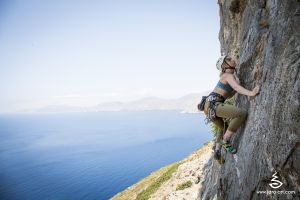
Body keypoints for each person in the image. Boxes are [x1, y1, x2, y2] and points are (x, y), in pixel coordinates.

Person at [203, 55, 260, 159]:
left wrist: (236, 84)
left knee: (224, 127)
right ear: (225, 66)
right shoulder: (227, 75)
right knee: (241, 114)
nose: (233, 59)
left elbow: (229, 94)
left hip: (209, 106)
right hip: (214, 104)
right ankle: (225, 141)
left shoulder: (225, 77)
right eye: (229, 59)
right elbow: (236, 87)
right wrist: (251, 93)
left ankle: (217, 150)